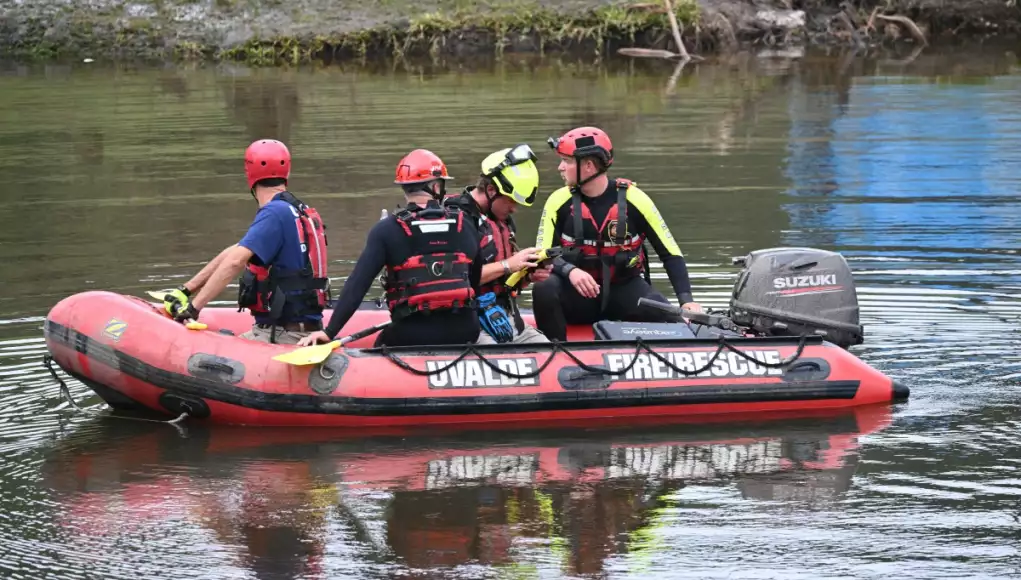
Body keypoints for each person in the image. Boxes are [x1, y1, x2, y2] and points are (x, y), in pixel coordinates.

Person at [531, 126, 703, 341]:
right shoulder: (558, 201)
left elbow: (670, 254)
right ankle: (554, 351)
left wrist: (686, 301)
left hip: (625, 290)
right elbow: (542, 254)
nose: (560, 167)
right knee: (544, 287)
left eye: (566, 161)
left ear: (588, 165)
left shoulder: (636, 199)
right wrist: (570, 271)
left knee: (677, 325)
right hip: (576, 297)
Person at [298, 149, 483, 348]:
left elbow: (357, 285)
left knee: (382, 343)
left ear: (405, 188)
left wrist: (329, 331)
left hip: (411, 334)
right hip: (465, 331)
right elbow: (475, 280)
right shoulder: (466, 224)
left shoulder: (387, 230)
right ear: (436, 186)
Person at [162, 139, 330, 344]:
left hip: (284, 335)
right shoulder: (293, 208)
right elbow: (235, 252)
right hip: (301, 328)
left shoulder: (273, 213)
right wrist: (186, 290)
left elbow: (235, 262)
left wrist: (193, 309)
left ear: (249, 173)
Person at [444, 144, 551, 344]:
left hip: (505, 318)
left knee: (548, 352)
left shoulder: (502, 220)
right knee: (495, 359)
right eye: (511, 201)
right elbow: (456, 279)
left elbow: (504, 281)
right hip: (469, 321)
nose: (514, 209)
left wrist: (526, 275)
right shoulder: (456, 221)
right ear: (491, 190)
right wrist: (509, 265)